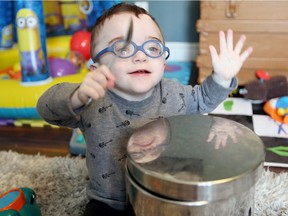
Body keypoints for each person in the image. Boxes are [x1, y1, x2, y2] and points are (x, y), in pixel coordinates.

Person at [36, 2, 253, 216]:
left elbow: (204, 99)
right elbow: (45, 108)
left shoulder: (174, 94)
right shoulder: (91, 99)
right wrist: (76, 97)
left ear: (163, 64)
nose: (141, 56)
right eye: (122, 48)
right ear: (96, 68)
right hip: (109, 202)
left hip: (162, 195)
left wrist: (221, 78)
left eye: (152, 48)